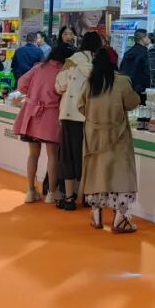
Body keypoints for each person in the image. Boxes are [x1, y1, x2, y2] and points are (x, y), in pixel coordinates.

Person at [78, 46, 142, 233]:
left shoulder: (90, 82)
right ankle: (120, 219)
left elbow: (80, 105)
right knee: (120, 174)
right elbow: (132, 103)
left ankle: (96, 214)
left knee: (97, 173)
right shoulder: (122, 81)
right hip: (118, 135)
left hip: (94, 136)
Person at [14, 44, 65, 203]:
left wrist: (32, 94)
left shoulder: (38, 68)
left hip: (31, 115)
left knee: (33, 154)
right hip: (51, 115)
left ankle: (30, 190)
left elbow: (21, 84)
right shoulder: (63, 72)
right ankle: (52, 192)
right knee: (53, 155)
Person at [55, 35, 96, 211]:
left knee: (68, 156)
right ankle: (87, 196)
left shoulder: (72, 62)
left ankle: (69, 198)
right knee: (88, 156)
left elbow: (59, 86)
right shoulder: (99, 64)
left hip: (70, 114)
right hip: (91, 116)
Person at [119, 29, 151, 96]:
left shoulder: (128, 52)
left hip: (127, 85)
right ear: (143, 39)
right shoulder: (144, 52)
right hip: (140, 88)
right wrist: (148, 87)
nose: (149, 39)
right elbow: (147, 71)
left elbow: (121, 69)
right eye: (147, 37)